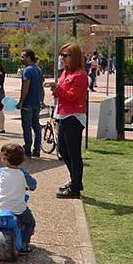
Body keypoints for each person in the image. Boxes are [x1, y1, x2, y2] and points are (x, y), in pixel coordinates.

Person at [45, 43, 88, 199]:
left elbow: (71, 96)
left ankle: (75, 187)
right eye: (61, 55)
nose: (62, 58)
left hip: (73, 117)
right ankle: (75, 181)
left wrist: (57, 88)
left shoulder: (80, 75)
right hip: (63, 115)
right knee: (63, 150)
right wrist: (56, 90)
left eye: (65, 55)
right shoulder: (66, 73)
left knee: (73, 153)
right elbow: (62, 94)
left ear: (74, 57)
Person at [17, 49, 44, 158]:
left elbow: (25, 87)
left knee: (27, 127)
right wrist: (41, 100)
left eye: (23, 56)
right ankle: (37, 149)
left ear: (28, 57)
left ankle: (27, 148)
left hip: (28, 103)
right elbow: (41, 87)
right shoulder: (38, 70)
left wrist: (21, 101)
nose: (22, 58)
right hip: (36, 102)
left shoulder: (27, 70)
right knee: (36, 127)